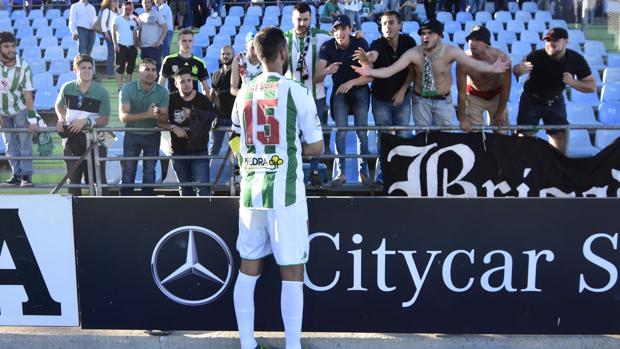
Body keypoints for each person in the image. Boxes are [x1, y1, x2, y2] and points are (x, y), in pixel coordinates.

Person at [231, 26, 323, 349]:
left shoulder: (243, 93)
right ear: (283, 53)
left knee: (247, 270)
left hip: (250, 193)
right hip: (286, 196)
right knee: (293, 272)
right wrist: (289, 148)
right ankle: (293, 346)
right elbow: (317, 147)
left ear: (256, 55)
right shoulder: (297, 92)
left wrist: (251, 160)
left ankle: (247, 344)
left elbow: (234, 140)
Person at [353, 19, 510, 128]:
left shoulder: (450, 51)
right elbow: (391, 70)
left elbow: (473, 63)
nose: (425, 36)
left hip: (444, 101)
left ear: (440, 36)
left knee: (444, 139)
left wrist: (492, 68)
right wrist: (370, 71)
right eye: (423, 33)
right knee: (423, 140)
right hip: (421, 101)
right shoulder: (413, 53)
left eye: (430, 33)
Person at [512, 28, 595, 153]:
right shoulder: (536, 56)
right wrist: (518, 69)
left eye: (554, 40)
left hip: (555, 99)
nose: (550, 43)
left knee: (559, 135)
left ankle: (556, 166)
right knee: (526, 136)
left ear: (566, 41)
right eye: (547, 40)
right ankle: (525, 168)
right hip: (531, 99)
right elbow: (517, 70)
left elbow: (592, 86)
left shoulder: (575, 59)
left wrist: (573, 82)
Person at [356, 11, 416, 184]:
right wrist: (366, 58)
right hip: (380, 99)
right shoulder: (377, 43)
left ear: (400, 25)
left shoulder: (408, 42)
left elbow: (413, 70)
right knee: (384, 137)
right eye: (384, 24)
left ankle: (404, 171)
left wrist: (403, 90)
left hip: (402, 98)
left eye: (390, 23)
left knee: (403, 135)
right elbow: (373, 55)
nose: (387, 27)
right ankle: (384, 172)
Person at [316, 14, 373, 187]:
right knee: (340, 132)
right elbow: (317, 76)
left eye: (343, 28)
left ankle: (364, 173)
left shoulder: (360, 43)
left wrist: (352, 82)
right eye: (336, 29)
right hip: (340, 92)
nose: (340, 32)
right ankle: (340, 173)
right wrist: (326, 71)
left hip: (360, 89)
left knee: (362, 132)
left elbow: (370, 76)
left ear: (350, 29)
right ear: (333, 31)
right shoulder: (327, 46)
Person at [284, 2, 332, 187]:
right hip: (292, 99)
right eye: (298, 20)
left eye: (305, 19)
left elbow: (343, 39)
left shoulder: (322, 36)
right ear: (292, 19)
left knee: (317, 137)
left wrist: (357, 36)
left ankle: (314, 171)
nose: (302, 23)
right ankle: (294, 173)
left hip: (316, 97)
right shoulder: (284, 38)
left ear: (311, 18)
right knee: (291, 138)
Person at [55, 54, 111, 196]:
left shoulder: (102, 92)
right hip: (71, 140)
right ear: (75, 70)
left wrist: (86, 121)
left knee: (99, 181)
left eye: (90, 68)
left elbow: (105, 120)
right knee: (73, 182)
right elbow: (59, 105)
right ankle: (73, 216)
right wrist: (61, 118)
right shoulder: (66, 87)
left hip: (96, 140)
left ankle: (102, 212)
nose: (87, 71)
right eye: (83, 68)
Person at [162, 68, 217, 196]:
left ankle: (203, 216)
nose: (186, 84)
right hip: (178, 151)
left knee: (203, 190)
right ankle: (187, 216)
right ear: (176, 84)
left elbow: (214, 117)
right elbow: (161, 121)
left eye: (189, 80)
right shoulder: (170, 99)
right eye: (182, 81)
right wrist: (174, 127)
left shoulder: (202, 99)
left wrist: (193, 113)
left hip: (199, 150)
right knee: (185, 191)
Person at [119, 58, 169, 195]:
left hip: (152, 134)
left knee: (150, 170)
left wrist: (158, 114)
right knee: (129, 170)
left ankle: (148, 202)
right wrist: (147, 115)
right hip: (131, 134)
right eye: (147, 69)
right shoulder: (127, 89)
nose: (150, 73)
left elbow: (165, 117)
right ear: (139, 72)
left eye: (153, 70)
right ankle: (126, 202)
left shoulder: (162, 92)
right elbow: (123, 117)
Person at [456, 26, 511, 134]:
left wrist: (500, 112)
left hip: (496, 95)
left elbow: (506, 88)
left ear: (486, 43)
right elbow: (461, 93)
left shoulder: (501, 58)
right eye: (470, 39)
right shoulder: (463, 61)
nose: (472, 43)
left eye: (477, 39)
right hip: (474, 96)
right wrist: (462, 118)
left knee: (501, 134)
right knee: (474, 135)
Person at [0, 31, 38, 187]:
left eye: (13, 46)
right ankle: (16, 174)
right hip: (2, 111)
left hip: (21, 108)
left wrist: (32, 119)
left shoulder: (24, 66)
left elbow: (28, 94)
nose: (11, 50)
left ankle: (26, 176)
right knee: (10, 144)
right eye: (6, 46)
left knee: (25, 142)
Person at [159, 28, 209, 95]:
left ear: (193, 42)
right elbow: (160, 84)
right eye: (184, 41)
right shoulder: (169, 60)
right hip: (174, 102)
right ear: (178, 42)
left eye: (190, 41)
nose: (187, 43)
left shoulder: (199, 63)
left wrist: (206, 103)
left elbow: (205, 88)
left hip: (193, 103)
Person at [208, 45, 236, 164]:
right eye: (223, 54)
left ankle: (237, 177)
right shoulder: (216, 74)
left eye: (228, 54)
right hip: (218, 119)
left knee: (236, 150)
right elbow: (212, 94)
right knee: (213, 149)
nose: (225, 56)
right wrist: (210, 113)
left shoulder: (238, 74)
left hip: (234, 120)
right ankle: (207, 178)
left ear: (233, 55)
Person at [112, 0, 139, 92]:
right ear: (122, 8)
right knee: (120, 68)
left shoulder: (134, 21)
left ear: (132, 9)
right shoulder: (117, 18)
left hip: (131, 47)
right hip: (121, 46)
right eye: (126, 8)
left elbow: (135, 34)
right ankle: (120, 88)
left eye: (129, 8)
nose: (128, 9)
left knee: (130, 68)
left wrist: (135, 46)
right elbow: (113, 32)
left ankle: (127, 88)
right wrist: (115, 44)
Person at [137, 0, 168, 74]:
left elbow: (165, 27)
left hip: (154, 47)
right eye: (145, 2)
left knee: (156, 69)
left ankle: (157, 85)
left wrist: (160, 41)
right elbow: (139, 30)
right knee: (146, 70)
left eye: (149, 2)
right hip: (144, 47)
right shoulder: (140, 16)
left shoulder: (156, 14)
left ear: (152, 3)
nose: (147, 4)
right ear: (142, 4)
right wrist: (138, 41)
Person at [230, 31, 262, 96]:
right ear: (246, 46)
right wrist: (246, 96)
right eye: (252, 48)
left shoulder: (267, 58)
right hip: (245, 97)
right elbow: (233, 89)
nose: (255, 52)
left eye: (258, 48)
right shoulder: (239, 59)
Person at [99, 0, 120, 78]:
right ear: (109, 2)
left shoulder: (117, 12)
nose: (115, 2)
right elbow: (102, 22)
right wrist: (106, 33)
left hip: (117, 34)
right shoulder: (106, 10)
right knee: (111, 53)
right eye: (113, 1)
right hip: (110, 33)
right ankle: (110, 72)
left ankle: (116, 71)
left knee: (116, 53)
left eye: (116, 1)